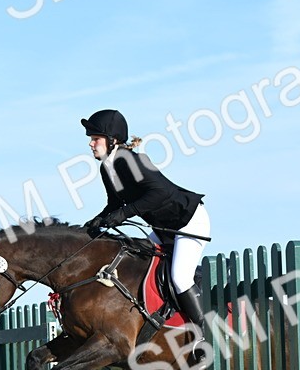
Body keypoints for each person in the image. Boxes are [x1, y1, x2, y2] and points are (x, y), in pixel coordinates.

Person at [80, 109, 210, 342]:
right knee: (138, 260)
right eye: (91, 139)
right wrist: (98, 220)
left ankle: (205, 334)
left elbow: (159, 193)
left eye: (95, 138)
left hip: (188, 221)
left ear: (113, 140)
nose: (91, 144)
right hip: (163, 229)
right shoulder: (107, 168)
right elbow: (116, 202)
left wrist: (122, 214)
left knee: (180, 277)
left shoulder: (132, 161)